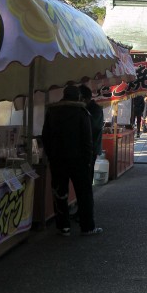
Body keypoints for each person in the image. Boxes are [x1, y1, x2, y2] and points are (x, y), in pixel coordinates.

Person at [41, 85, 102, 237]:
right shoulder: (81, 112)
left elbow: (45, 136)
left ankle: (63, 227)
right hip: (79, 161)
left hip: (57, 160)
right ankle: (87, 227)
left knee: (60, 193)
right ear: (78, 97)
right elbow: (87, 140)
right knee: (84, 194)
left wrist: (51, 156)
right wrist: (88, 160)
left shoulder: (52, 111)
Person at [79, 84, 104, 164]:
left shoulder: (96, 109)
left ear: (84, 99)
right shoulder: (83, 109)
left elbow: (92, 126)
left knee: (88, 170)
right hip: (83, 148)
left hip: (91, 148)